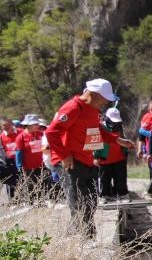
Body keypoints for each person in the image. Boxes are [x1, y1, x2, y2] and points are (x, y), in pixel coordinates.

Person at [45, 79, 131, 236]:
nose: (106, 102)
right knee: (78, 203)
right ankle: (84, 239)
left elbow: (96, 129)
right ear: (93, 94)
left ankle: (83, 236)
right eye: (104, 98)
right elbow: (51, 132)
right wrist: (64, 156)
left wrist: (116, 140)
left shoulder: (93, 109)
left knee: (91, 201)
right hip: (70, 162)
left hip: (86, 159)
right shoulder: (73, 108)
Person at [97, 107, 130, 201]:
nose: (115, 123)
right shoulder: (100, 127)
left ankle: (123, 195)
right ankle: (104, 196)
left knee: (121, 179)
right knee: (104, 179)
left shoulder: (120, 127)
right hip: (104, 159)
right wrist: (96, 157)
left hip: (119, 158)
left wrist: (125, 154)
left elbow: (124, 141)